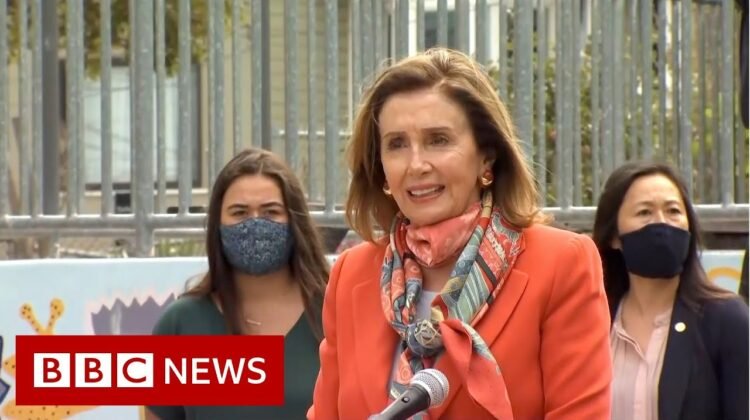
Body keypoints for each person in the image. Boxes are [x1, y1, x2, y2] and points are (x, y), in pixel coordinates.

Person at [309, 48, 612, 419]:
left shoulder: (561, 263)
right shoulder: (351, 274)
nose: (416, 164)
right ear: (381, 168)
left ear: (486, 156)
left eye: (438, 140)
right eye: (397, 144)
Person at [146, 148, 329, 420]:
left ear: (294, 221)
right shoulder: (181, 324)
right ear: (217, 225)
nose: (255, 223)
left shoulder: (334, 312)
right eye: (240, 212)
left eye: (271, 211)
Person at [592, 161, 749, 420]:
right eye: (644, 212)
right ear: (614, 236)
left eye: (673, 211)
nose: (661, 224)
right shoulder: (594, 320)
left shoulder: (728, 320)